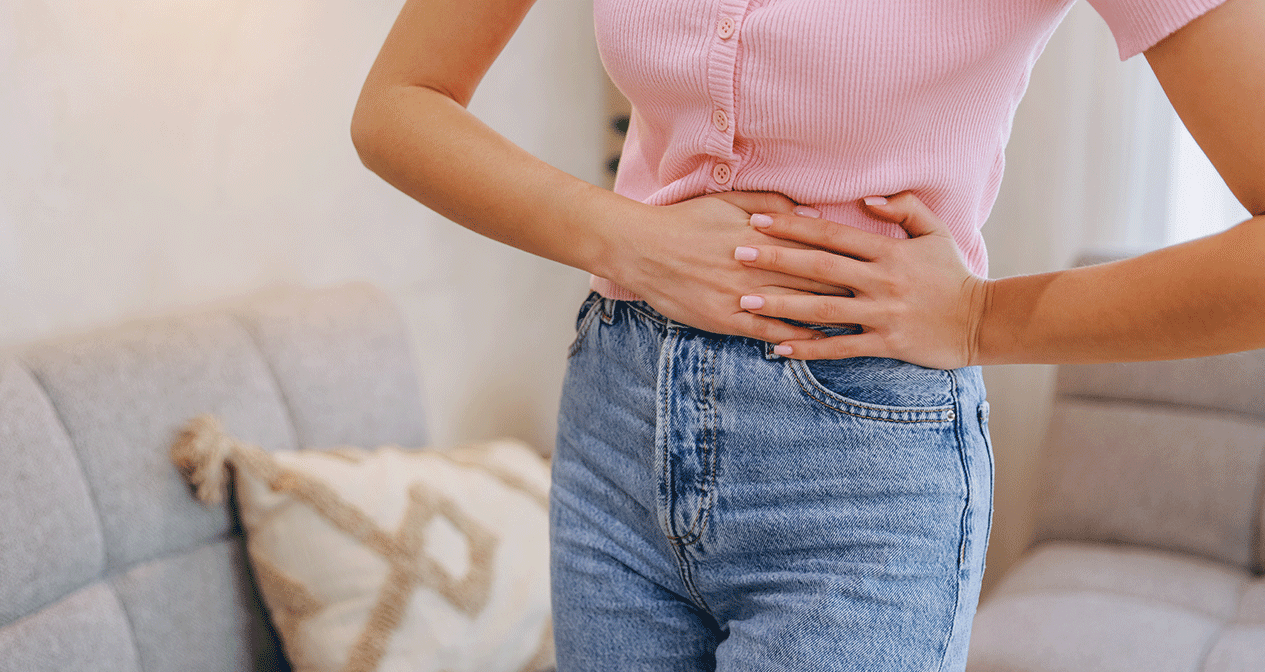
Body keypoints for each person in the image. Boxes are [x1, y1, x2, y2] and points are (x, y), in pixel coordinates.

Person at [351, 0, 1265, 669]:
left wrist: (979, 316)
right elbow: (399, 103)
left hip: (859, 471)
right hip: (615, 426)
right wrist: (624, 236)